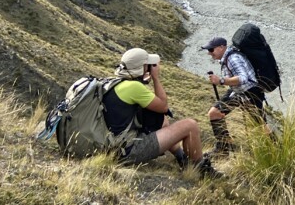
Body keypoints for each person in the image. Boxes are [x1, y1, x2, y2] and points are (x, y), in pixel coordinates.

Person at [105, 48, 217, 177]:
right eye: (148, 65)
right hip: (129, 151)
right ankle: (200, 170)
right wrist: (156, 78)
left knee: (162, 120)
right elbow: (163, 106)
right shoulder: (134, 87)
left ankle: (182, 159)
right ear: (142, 68)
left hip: (112, 147)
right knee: (190, 125)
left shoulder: (114, 84)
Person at [203, 35, 266, 156]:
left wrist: (221, 81)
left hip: (250, 93)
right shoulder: (228, 57)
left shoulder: (233, 58)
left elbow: (243, 78)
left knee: (262, 127)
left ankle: (276, 153)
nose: (209, 53)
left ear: (222, 47)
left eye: (211, 49)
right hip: (238, 92)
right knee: (215, 113)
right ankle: (224, 148)